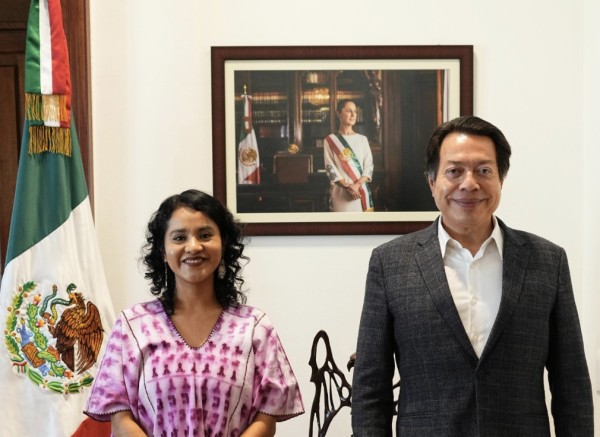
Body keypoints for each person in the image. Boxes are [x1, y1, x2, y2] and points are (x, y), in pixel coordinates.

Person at [351, 116, 594, 436]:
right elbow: (370, 390)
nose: (469, 184)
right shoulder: (390, 263)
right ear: (431, 181)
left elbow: (571, 386)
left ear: (501, 180)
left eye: (484, 170)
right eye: (454, 171)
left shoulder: (548, 261)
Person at [84, 189, 304, 436]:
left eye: (205, 235)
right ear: (162, 251)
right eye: (179, 238)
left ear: (223, 244)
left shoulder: (254, 327)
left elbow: (267, 417)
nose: (194, 246)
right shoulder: (132, 326)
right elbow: (119, 418)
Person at [324, 100, 374, 212]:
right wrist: (347, 187)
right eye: (348, 111)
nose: (353, 115)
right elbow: (330, 168)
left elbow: (369, 166)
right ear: (339, 113)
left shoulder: (362, 139)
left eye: (355, 111)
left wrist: (357, 185)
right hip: (341, 193)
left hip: (360, 191)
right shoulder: (330, 140)